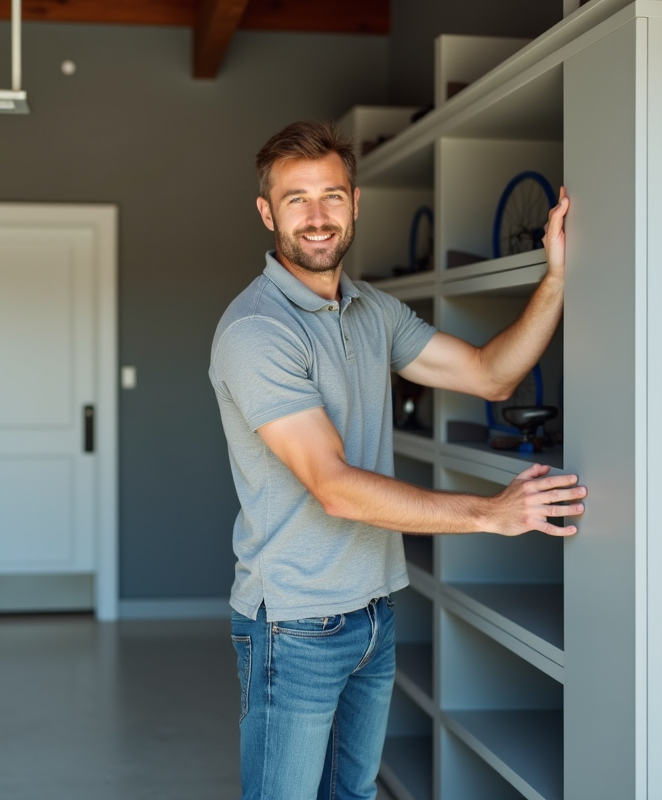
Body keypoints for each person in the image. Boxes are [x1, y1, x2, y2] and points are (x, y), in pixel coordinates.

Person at [208, 119, 588, 800]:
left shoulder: (372, 311)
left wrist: (555, 276)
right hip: (296, 622)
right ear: (267, 212)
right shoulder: (257, 330)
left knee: (352, 796)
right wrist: (491, 515)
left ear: (356, 203)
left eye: (332, 196)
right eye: (296, 200)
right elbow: (335, 489)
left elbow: (491, 375)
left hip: (374, 608)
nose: (318, 217)